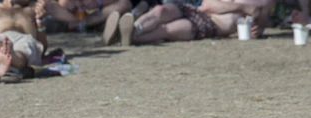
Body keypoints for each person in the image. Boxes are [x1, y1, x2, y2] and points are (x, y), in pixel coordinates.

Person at [106, 0, 268, 45]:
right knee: (159, 11)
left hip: (210, 25)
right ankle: (133, 28)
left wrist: (257, 31)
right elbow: (207, 5)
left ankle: (125, 37)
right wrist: (243, 7)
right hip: (195, 10)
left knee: (165, 30)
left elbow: (261, 19)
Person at [0, 0, 48, 84]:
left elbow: (42, 47)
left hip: (24, 39)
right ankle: (9, 63)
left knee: (25, 48)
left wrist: (40, 21)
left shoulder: (32, 9)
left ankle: (5, 64)